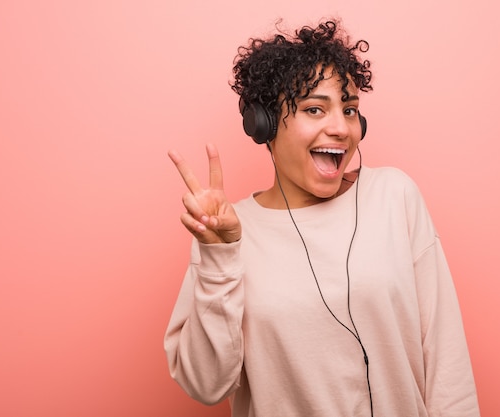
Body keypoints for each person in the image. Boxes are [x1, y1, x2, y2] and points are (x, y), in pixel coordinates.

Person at [164, 20, 480, 417]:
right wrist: (220, 256)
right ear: (265, 125)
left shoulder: (393, 197)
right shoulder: (228, 234)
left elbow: (446, 359)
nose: (340, 128)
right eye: (315, 108)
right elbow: (205, 385)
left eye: (349, 110)